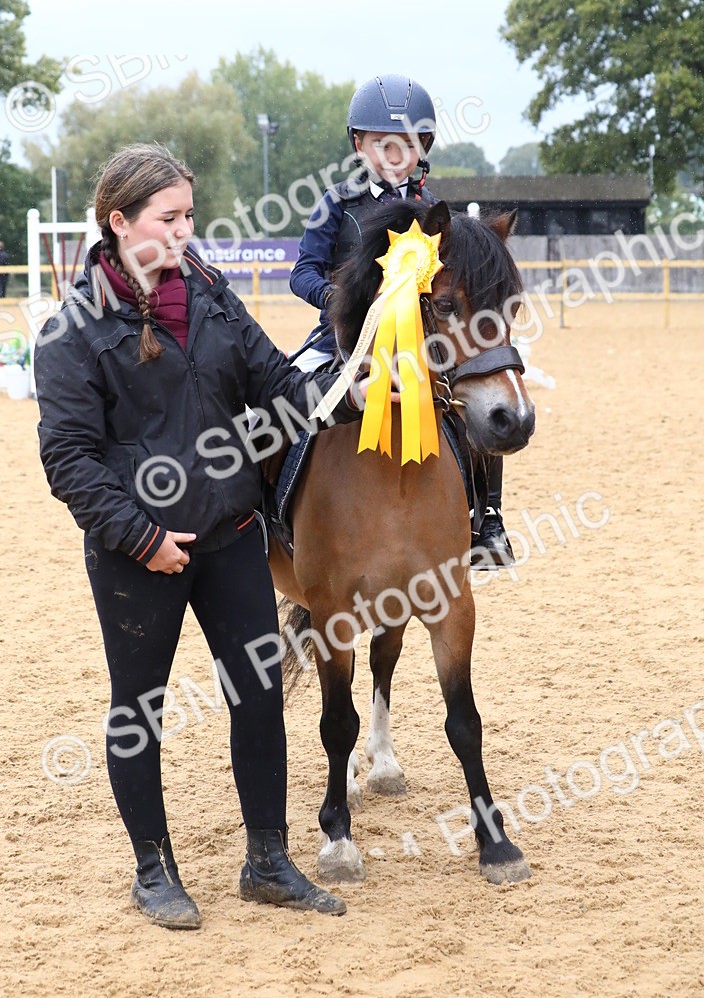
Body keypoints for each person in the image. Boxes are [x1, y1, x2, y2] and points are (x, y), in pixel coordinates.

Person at [34, 143, 381, 931]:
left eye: (191, 215)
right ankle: (153, 872)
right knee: (140, 710)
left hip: (230, 536)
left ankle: (268, 862)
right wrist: (141, 536)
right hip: (139, 555)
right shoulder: (71, 331)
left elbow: (279, 385)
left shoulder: (214, 297)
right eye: (170, 218)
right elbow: (69, 459)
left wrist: (345, 391)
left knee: (259, 698)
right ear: (119, 222)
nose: (186, 231)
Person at [289, 73, 514, 566]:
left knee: (478, 394)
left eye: (407, 144)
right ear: (359, 144)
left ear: (423, 147)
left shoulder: (436, 212)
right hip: (346, 338)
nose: (394, 155)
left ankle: (488, 520)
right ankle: (273, 514)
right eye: (381, 144)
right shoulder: (337, 204)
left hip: (424, 342)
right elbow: (301, 273)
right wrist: (339, 298)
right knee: (288, 399)